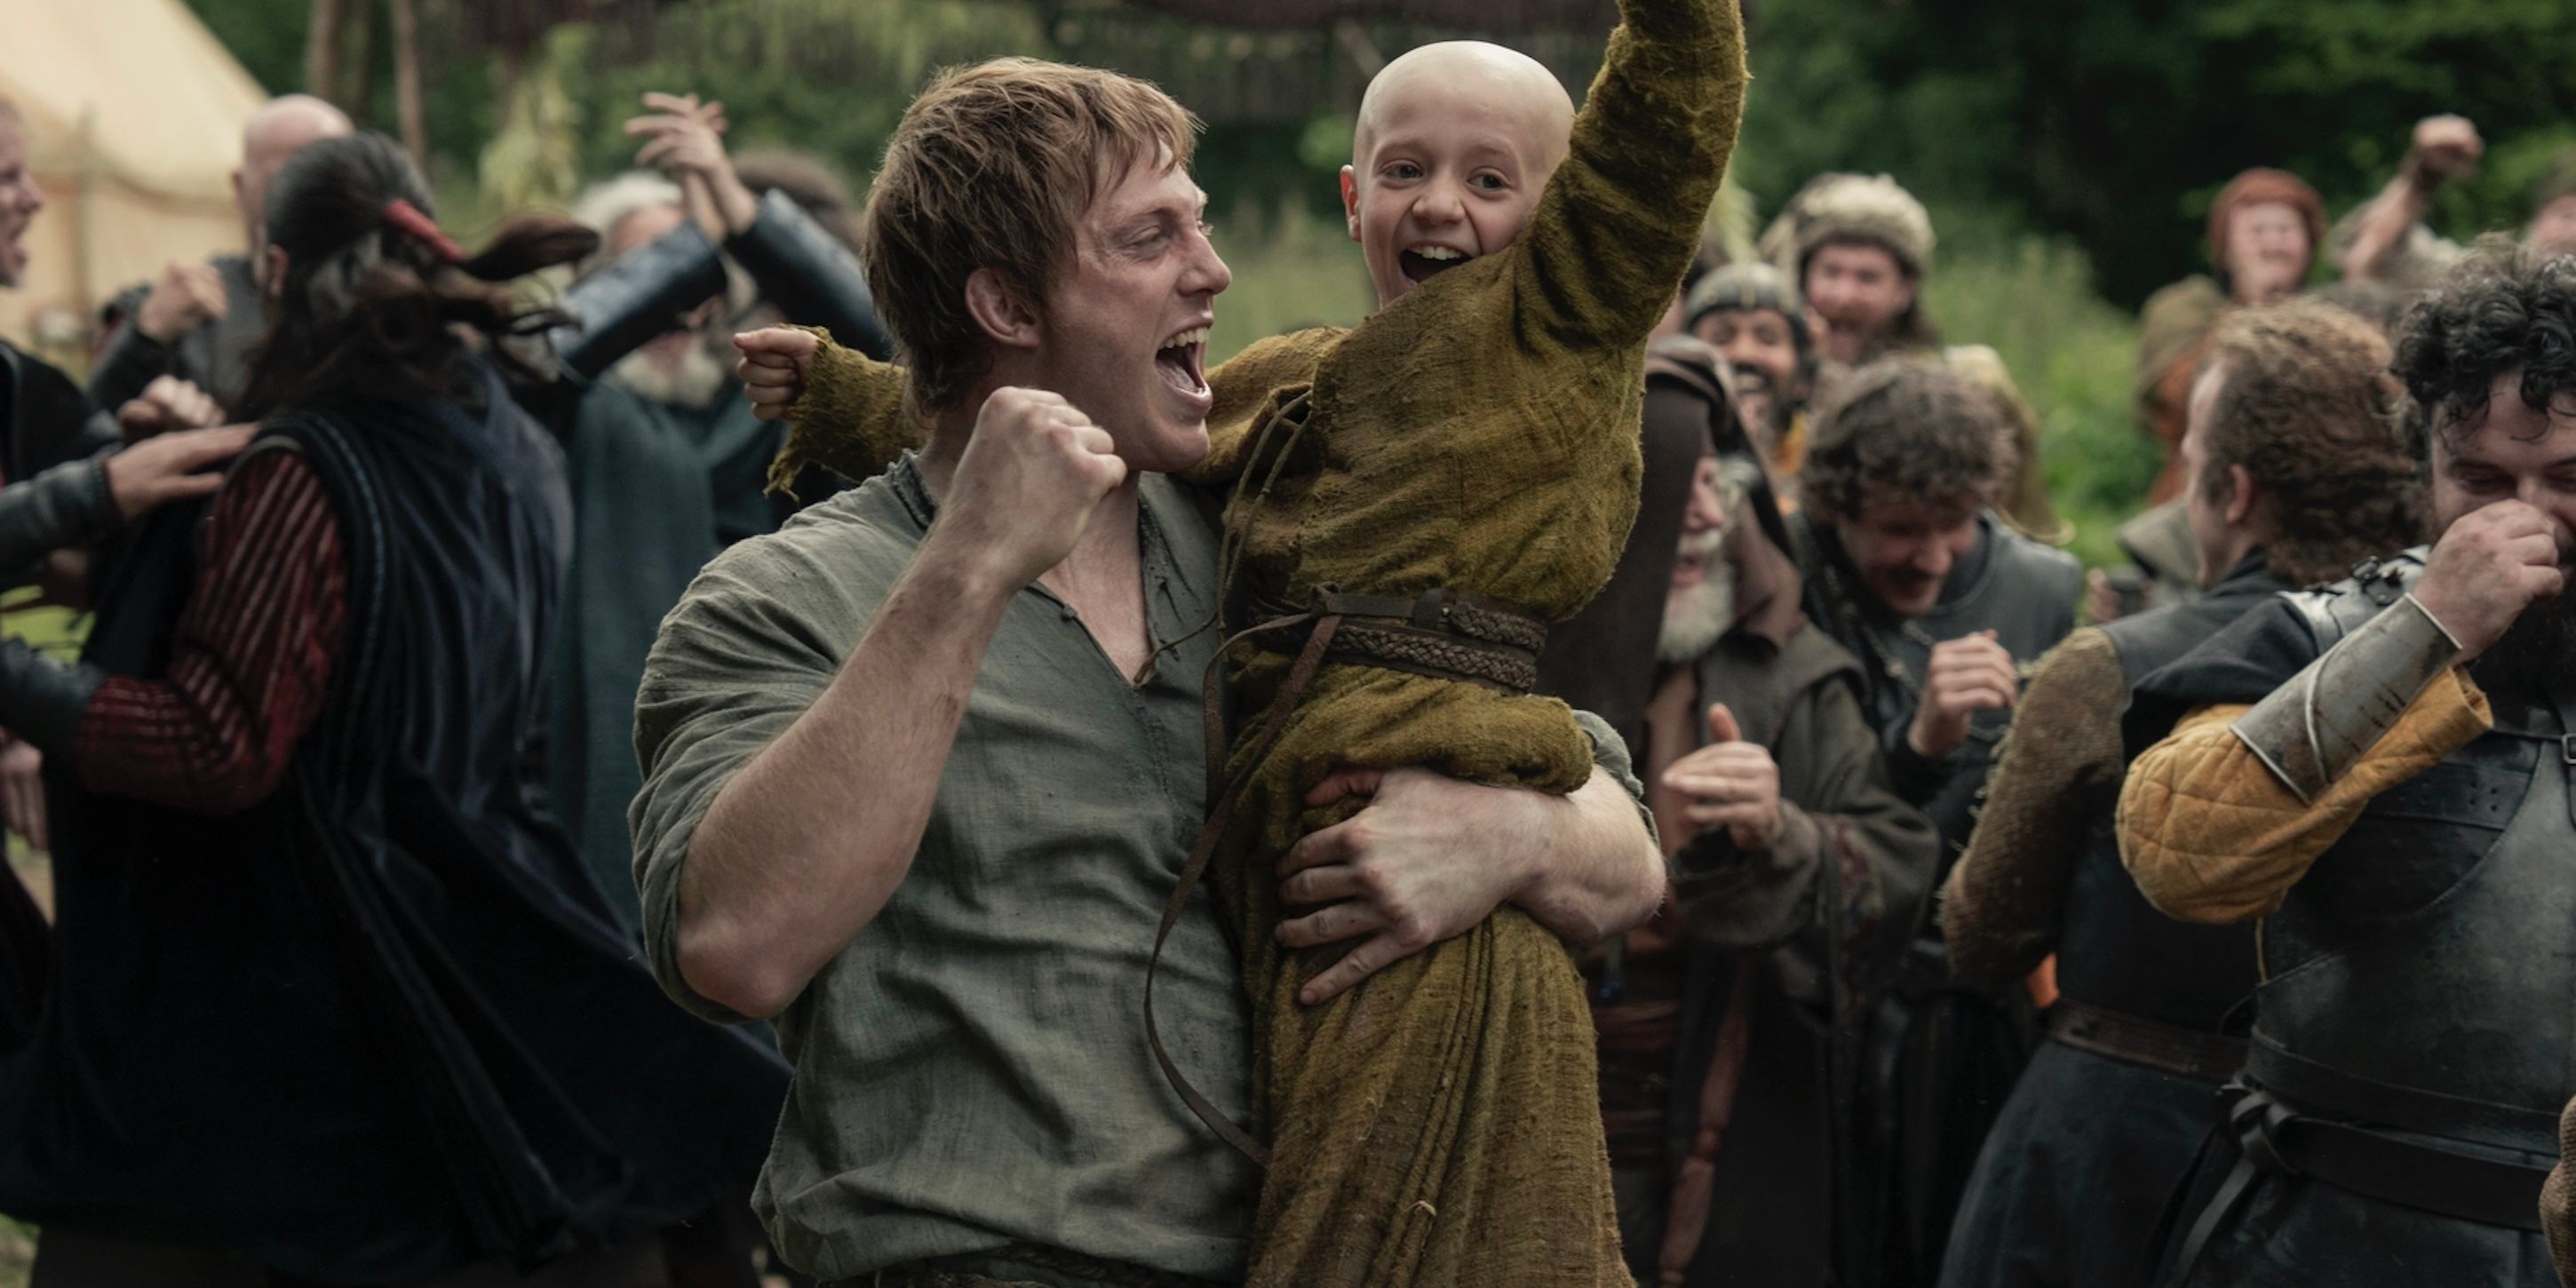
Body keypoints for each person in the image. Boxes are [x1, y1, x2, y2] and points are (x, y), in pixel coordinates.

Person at [633, 51, 1683, 1287]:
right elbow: (734, 946)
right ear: (1008, 306)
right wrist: (967, 569)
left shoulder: (1260, 542)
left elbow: (1626, 842)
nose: (1213, 270)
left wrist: (1517, 838)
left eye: (1201, 222)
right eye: (1149, 239)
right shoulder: (785, 597)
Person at [0, 131, 788, 1286]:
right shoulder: (508, 438)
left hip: (317, 1001)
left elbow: (214, 745)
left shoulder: (303, 467)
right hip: (474, 942)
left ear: (275, 271)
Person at [1935, 300, 2429, 1288]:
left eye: (2195, 451)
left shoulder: (2108, 669)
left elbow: (1982, 936)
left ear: (2233, 491)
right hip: (2358, 1181)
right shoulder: (2457, 672)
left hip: (2109, 1158)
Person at [2119, 239, 2575, 1288]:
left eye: (2566, 479)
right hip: (2331, 1238)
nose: (2525, 517)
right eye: (2479, 479)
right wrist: (2426, 629)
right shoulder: (2317, 634)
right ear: (2423, 471)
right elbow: (2175, 854)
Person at [1579, 336, 1937, 1286]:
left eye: (1719, 482)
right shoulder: (1513, 653)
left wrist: (1784, 834)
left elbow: (1897, 864)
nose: (1705, 515)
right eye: (1673, 484)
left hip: (1729, 1123)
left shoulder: (1796, 673)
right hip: (1527, 1102)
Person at [544, 93, 894, 926]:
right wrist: (690, 256)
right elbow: (548, 357)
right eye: (651, 272)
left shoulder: (759, 422)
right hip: (577, 807)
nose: (684, 302)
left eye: (706, 278)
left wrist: (742, 218)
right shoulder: (558, 418)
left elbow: (886, 344)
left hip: (753, 775)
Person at [1786, 358, 2080, 1286]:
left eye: (1954, 525)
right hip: (1823, 999)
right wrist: (1919, 745)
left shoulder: (2040, 586)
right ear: (1834, 508)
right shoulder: (1786, 574)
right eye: (1900, 530)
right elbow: (1795, 828)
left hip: (1979, 1007)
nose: (1931, 558)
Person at [1758, 172, 2064, 544]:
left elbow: (2017, 538)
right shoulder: (1769, 377)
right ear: (1803, 278)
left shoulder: (1957, 388)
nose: (1844, 295)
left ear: (1904, 290)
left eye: (1867, 278)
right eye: (1831, 272)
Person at [85, 94, 352, 416]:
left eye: (328, 181)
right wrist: (146, 336)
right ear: (240, 188)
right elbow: (89, 424)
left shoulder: (386, 310)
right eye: (287, 180)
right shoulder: (182, 311)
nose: (309, 202)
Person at [2134, 167, 2326, 504]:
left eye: (2285, 230)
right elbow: (2174, 405)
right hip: (2199, 496)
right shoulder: (2185, 306)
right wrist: (2260, 310)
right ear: (2226, 248)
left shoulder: (2332, 322)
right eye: (2257, 231)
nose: (2272, 244)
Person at [2339, 116, 2576, 290]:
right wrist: (2421, 180)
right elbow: (2375, 254)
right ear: (2537, 218)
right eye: (2566, 215)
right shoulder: (2481, 284)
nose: (2573, 232)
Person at [1682, 260, 1815, 487]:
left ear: (1802, 376)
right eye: (1722, 338)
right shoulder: (1663, 461)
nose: (1745, 354)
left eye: (1768, 338)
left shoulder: (1825, 464)